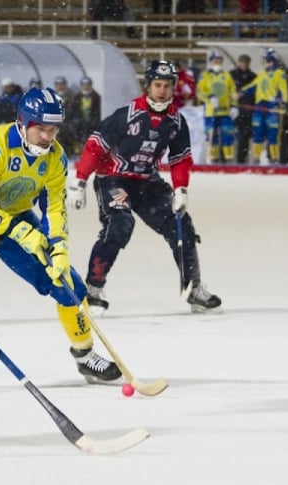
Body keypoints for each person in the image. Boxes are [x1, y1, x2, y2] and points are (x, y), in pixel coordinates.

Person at [0, 87, 122, 385]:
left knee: (67, 282)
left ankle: (84, 356)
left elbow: (55, 207)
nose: (47, 137)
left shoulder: (55, 158)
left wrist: (59, 248)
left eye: (53, 129)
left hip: (15, 215)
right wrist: (19, 230)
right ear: (23, 123)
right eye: (41, 129)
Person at [66, 60, 222, 315]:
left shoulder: (176, 122)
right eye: (157, 85)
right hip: (113, 179)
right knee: (119, 225)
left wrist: (181, 188)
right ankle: (92, 290)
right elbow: (96, 146)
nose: (162, 91)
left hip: (148, 183)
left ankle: (192, 288)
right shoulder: (126, 115)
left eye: (167, 86)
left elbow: (180, 158)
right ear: (148, 86)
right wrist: (79, 180)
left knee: (181, 225)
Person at [234, 47, 288, 164]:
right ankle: (256, 157)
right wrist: (240, 93)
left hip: (272, 108)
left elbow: (284, 92)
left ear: (270, 60)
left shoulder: (280, 74)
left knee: (273, 134)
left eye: (264, 59)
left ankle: (274, 158)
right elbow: (252, 86)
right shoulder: (262, 74)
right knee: (257, 133)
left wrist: (280, 102)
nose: (262, 62)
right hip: (259, 107)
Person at [196, 51, 238, 163]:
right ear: (211, 61)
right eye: (215, 60)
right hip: (211, 112)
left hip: (225, 111)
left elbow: (233, 91)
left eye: (220, 60)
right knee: (211, 136)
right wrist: (210, 96)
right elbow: (200, 91)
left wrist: (234, 105)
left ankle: (228, 159)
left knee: (227, 135)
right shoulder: (205, 75)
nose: (217, 62)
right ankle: (212, 159)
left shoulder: (227, 75)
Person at [230, 54, 257, 164]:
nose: (244, 64)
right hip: (233, 109)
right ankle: (225, 159)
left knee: (244, 136)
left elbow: (254, 92)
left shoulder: (253, 76)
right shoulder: (232, 75)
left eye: (246, 62)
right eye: (242, 62)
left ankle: (241, 160)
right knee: (227, 135)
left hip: (247, 111)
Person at [72, 76, 102, 147]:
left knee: (89, 127)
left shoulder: (96, 96)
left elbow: (97, 111)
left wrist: (94, 119)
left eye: (88, 85)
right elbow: (74, 110)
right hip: (80, 119)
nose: (86, 87)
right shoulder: (77, 96)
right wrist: (76, 118)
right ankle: (77, 145)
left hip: (91, 120)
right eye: (84, 85)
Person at [53, 76, 78, 158]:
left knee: (69, 136)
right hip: (56, 121)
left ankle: (69, 153)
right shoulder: (52, 96)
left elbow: (73, 109)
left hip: (68, 121)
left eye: (61, 84)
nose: (60, 86)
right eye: (58, 84)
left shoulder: (71, 96)